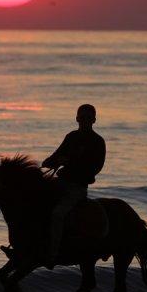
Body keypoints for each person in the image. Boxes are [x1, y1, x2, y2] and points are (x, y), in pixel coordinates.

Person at [41, 103, 106, 267]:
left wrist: (71, 162)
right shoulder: (71, 137)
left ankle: (51, 255)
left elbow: (95, 168)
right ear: (77, 119)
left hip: (77, 188)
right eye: (82, 118)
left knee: (57, 214)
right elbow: (51, 159)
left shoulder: (98, 142)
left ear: (94, 120)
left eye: (88, 118)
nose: (84, 121)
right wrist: (54, 161)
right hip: (60, 182)